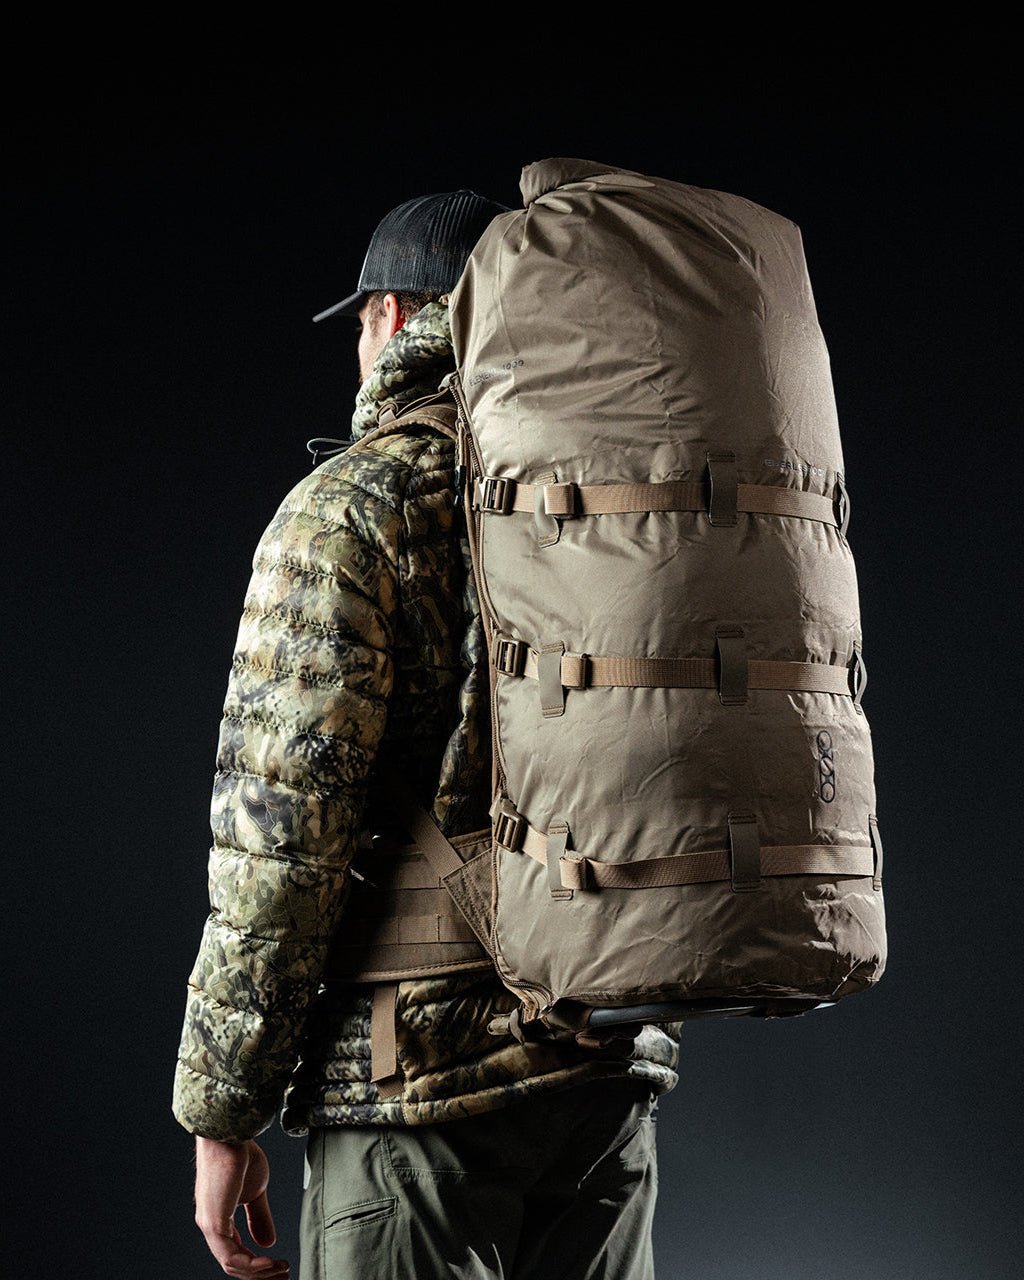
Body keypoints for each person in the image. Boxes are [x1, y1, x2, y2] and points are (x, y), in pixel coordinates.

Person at [173, 188, 683, 1280]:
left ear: (394, 317)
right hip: (603, 1066)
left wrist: (222, 1110)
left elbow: (280, 845)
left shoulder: (352, 508)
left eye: (362, 321)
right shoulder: (619, 498)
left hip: (417, 1084)